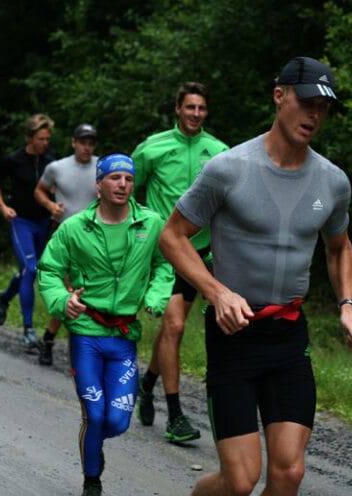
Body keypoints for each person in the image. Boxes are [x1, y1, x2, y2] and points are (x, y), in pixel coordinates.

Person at [159, 56, 352, 496]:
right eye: (306, 102)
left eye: (323, 108)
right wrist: (216, 293)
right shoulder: (228, 169)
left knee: (289, 472)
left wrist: (347, 305)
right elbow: (173, 237)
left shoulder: (332, 182)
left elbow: (339, 247)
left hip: (289, 338)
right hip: (233, 337)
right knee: (239, 481)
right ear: (280, 96)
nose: (314, 115)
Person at [37, 154, 174, 496]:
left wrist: (155, 298)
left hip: (124, 335)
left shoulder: (152, 223)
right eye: (114, 178)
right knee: (95, 415)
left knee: (116, 421)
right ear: (98, 184)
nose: (122, 185)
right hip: (86, 333)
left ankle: (95, 442)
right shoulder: (74, 227)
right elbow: (49, 270)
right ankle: (92, 480)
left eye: (128, 179)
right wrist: (62, 300)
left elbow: (166, 264)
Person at [132, 81, 229, 443]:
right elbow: (127, 190)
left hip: (200, 254)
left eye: (201, 109)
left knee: (171, 329)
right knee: (173, 327)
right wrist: (139, 234)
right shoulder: (153, 148)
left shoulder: (219, 152)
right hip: (164, 250)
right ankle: (175, 416)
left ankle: (147, 383)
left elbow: (227, 205)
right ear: (178, 109)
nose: (196, 114)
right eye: (190, 108)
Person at [0, 114, 58, 350]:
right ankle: (28, 329)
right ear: (29, 138)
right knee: (29, 268)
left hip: (44, 222)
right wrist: (2, 207)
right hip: (21, 221)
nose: (45, 143)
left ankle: (4, 298)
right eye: (41, 138)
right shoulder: (14, 159)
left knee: (33, 270)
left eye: (48, 138)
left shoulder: (52, 160)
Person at [33, 123, 100, 366]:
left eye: (91, 143)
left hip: (94, 241)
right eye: (83, 142)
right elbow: (39, 191)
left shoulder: (101, 168)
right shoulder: (57, 167)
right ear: (74, 142)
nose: (87, 147)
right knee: (72, 293)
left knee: (85, 294)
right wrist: (50, 205)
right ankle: (74, 347)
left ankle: (49, 338)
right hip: (64, 238)